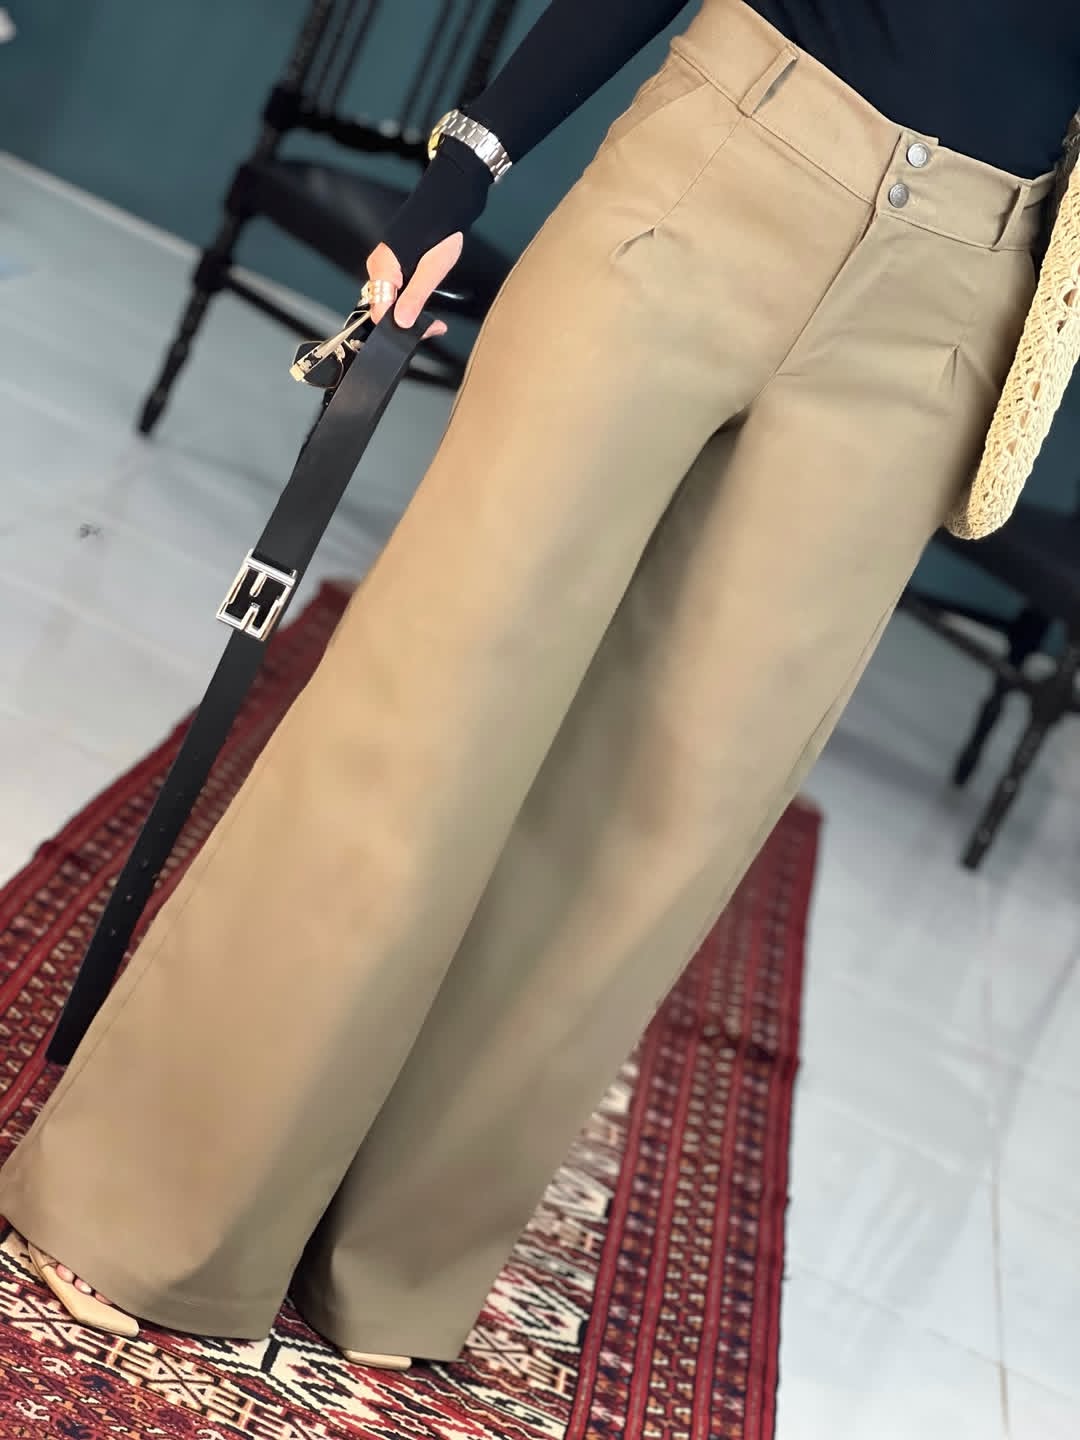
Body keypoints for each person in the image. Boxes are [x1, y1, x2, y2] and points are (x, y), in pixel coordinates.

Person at [1, 0, 1077, 1370]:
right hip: (727, 162)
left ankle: (390, 1261)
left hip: (957, 293)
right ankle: (142, 1197)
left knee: (666, 820)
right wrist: (473, 160)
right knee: (436, 700)